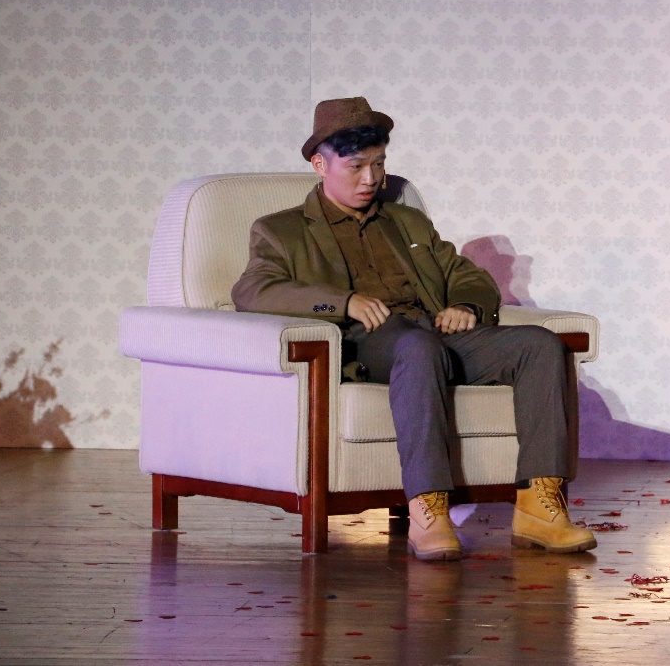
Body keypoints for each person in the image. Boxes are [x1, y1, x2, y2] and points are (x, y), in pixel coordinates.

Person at [232, 97, 596, 561]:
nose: (370, 178)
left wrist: (465, 304)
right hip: (367, 343)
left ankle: (539, 510)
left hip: (434, 334)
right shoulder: (282, 230)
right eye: (356, 166)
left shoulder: (407, 222)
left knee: (539, 345)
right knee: (418, 347)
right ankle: (429, 511)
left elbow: (466, 275)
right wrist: (343, 301)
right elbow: (253, 290)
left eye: (379, 164)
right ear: (320, 165)